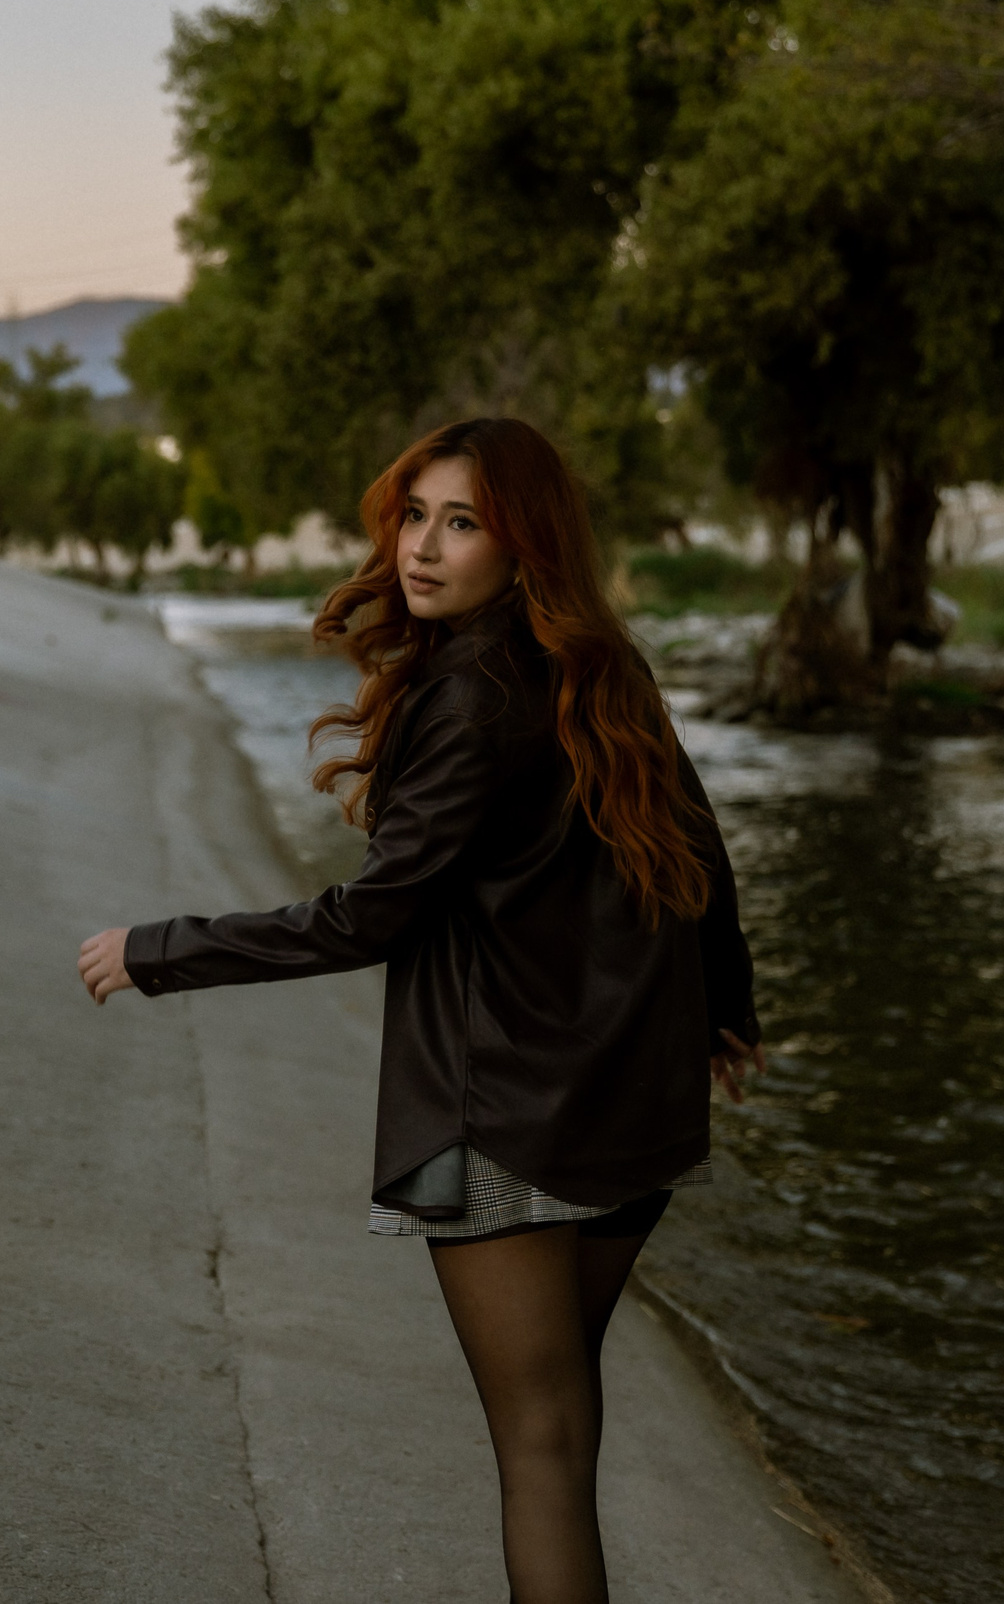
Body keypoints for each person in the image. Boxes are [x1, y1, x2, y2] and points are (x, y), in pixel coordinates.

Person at [77, 416, 763, 1604]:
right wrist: (726, 1010)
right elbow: (702, 851)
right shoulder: (600, 658)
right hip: (628, 1098)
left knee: (539, 1450)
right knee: (564, 1420)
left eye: (462, 523)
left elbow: (369, 917)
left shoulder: (473, 695)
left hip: (505, 1113)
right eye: (413, 516)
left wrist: (161, 950)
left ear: (522, 544)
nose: (422, 549)